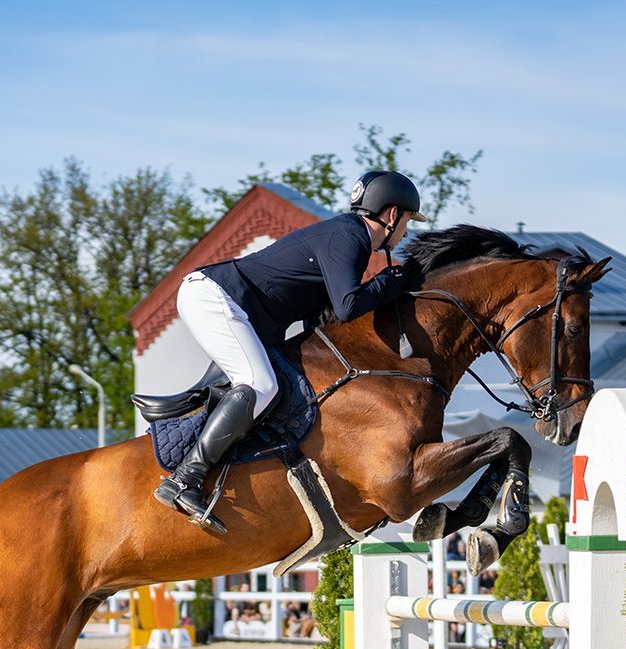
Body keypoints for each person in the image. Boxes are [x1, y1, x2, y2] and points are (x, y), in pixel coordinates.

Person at [154, 170, 427, 532]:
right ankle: (186, 478)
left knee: (266, 384)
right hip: (217, 296)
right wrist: (389, 283)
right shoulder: (350, 236)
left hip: (230, 304)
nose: (406, 231)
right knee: (261, 385)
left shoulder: (347, 236)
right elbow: (348, 306)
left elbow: (322, 317)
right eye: (407, 220)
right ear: (392, 214)